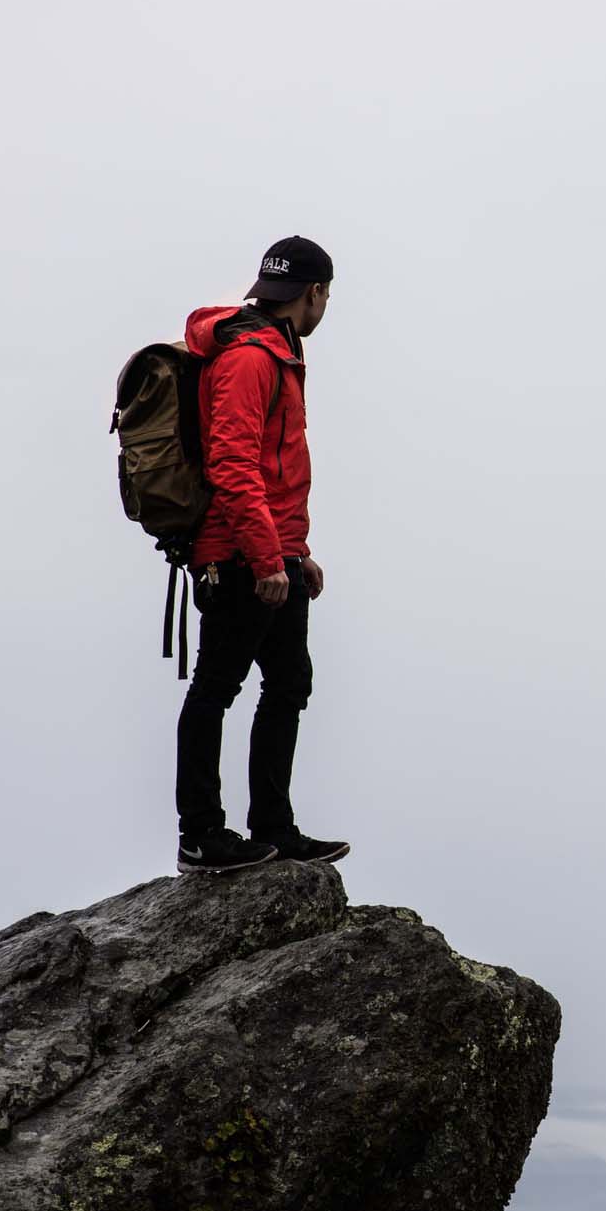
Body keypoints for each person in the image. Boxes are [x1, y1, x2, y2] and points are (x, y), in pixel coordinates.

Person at [173, 236, 352, 873]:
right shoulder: (250, 358)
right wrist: (266, 557)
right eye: (327, 294)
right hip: (239, 555)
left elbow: (275, 470)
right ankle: (201, 835)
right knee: (217, 688)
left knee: (288, 685)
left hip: (273, 552)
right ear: (315, 293)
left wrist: (295, 553)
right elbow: (232, 464)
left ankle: (272, 828)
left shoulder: (279, 352)